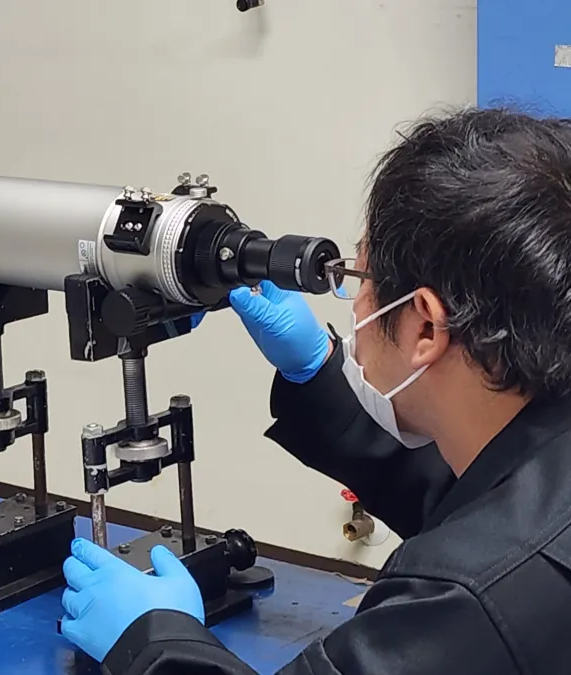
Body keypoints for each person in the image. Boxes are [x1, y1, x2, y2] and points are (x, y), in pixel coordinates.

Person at [60, 107, 571, 674]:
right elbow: (482, 506)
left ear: (426, 327)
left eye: (362, 279)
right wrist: (318, 370)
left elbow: (484, 568)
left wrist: (153, 640)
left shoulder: (460, 607)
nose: (356, 303)